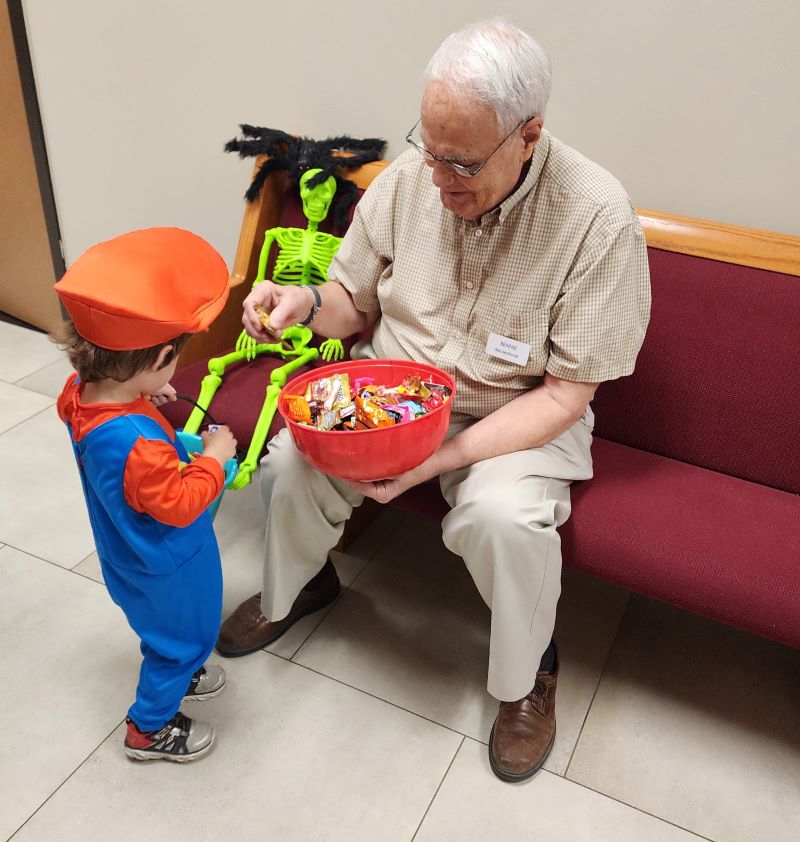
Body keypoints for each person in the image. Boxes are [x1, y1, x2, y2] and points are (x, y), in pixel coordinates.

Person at [218, 18, 651, 781]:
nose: (439, 178)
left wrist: (438, 461)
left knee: (501, 518)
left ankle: (528, 675)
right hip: (392, 383)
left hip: (513, 411)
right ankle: (301, 582)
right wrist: (301, 302)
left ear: (528, 134)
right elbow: (351, 298)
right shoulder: (410, 179)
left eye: (461, 163)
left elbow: (564, 394)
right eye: (428, 147)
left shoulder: (597, 217)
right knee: (289, 464)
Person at [54, 227, 238, 763]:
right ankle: (148, 729)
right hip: (167, 561)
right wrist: (214, 459)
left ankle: (182, 662)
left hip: (127, 554)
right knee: (185, 635)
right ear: (156, 358)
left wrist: (139, 389)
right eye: (173, 357)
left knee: (165, 628)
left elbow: (110, 421)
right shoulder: (136, 444)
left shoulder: (82, 395)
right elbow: (180, 502)